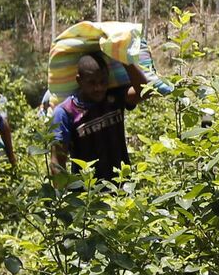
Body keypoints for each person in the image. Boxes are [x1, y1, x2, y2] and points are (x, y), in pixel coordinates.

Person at [49, 51, 150, 182]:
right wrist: (62, 199)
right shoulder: (65, 112)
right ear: (79, 80)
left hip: (122, 188)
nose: (99, 88)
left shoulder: (114, 97)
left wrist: (124, 58)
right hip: (88, 196)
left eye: (103, 81)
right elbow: (57, 162)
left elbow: (145, 92)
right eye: (92, 82)